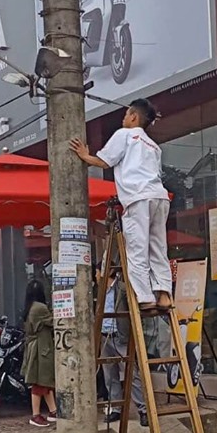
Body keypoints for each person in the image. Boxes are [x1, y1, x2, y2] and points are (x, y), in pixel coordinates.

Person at [69, 98, 173, 311]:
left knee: (137, 248)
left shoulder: (125, 135)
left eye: (126, 115)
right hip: (159, 197)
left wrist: (84, 155)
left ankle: (145, 297)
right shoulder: (153, 145)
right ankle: (164, 294)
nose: (123, 118)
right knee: (158, 247)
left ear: (134, 116)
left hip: (137, 198)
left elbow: (105, 161)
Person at [99, 268, 150, 427]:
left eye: (97, 271)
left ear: (107, 271)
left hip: (121, 336)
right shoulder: (100, 290)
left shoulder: (122, 288)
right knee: (110, 375)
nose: (95, 275)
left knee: (132, 373)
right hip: (105, 336)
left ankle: (143, 409)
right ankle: (116, 408)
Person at [21, 280, 57, 427]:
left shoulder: (29, 307)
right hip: (40, 349)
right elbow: (54, 321)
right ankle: (35, 415)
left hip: (36, 347)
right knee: (39, 382)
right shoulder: (40, 308)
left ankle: (53, 411)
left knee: (45, 382)